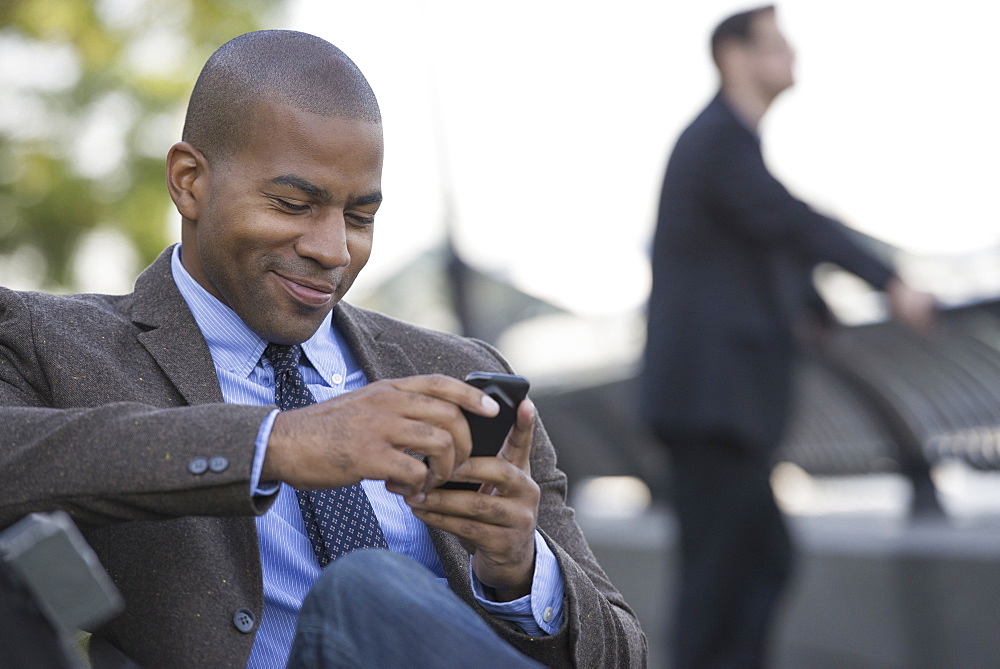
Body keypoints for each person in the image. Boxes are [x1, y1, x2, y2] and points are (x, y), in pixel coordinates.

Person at [0, 30, 646, 668]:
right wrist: (278, 443)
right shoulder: (53, 342)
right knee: (361, 587)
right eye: (293, 203)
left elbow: (626, 653)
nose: (334, 250)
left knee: (375, 591)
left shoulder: (455, 372)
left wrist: (521, 572)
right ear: (190, 181)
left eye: (360, 217)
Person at [640, 6, 934, 668]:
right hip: (711, 406)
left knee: (758, 562)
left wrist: (813, 306)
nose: (792, 55)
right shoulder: (718, 140)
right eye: (776, 45)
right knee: (723, 578)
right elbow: (789, 220)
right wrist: (889, 281)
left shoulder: (725, 147)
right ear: (733, 57)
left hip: (720, 407)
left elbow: (759, 241)